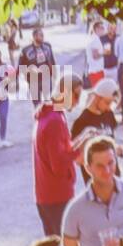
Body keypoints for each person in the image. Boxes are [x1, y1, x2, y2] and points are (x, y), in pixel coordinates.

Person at [33, 72, 81, 237]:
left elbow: (58, 151)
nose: (78, 102)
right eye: (76, 95)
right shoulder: (55, 120)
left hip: (45, 196)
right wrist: (80, 150)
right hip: (57, 197)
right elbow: (59, 165)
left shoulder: (49, 113)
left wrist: (80, 140)